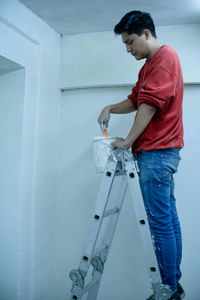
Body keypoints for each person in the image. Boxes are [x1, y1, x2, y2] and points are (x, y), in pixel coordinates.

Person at [98, 11, 185, 300]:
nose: (128, 49)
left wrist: (128, 140)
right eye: (124, 44)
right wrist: (111, 107)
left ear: (146, 33)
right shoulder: (149, 65)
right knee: (167, 220)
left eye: (131, 41)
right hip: (161, 153)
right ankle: (173, 284)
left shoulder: (164, 60)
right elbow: (136, 100)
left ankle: (168, 289)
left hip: (157, 154)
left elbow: (148, 106)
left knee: (161, 224)